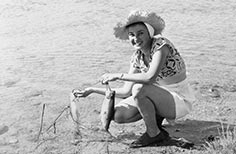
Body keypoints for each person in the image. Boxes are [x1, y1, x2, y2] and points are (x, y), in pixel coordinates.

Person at [72, 10, 195, 148]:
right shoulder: (137, 57)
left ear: (149, 32)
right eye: (131, 35)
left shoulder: (161, 45)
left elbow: (149, 78)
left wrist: (118, 75)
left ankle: (154, 134)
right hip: (160, 95)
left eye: (140, 33)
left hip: (179, 99)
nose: (135, 38)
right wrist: (92, 90)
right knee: (118, 115)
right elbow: (125, 91)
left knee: (139, 88)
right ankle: (156, 126)